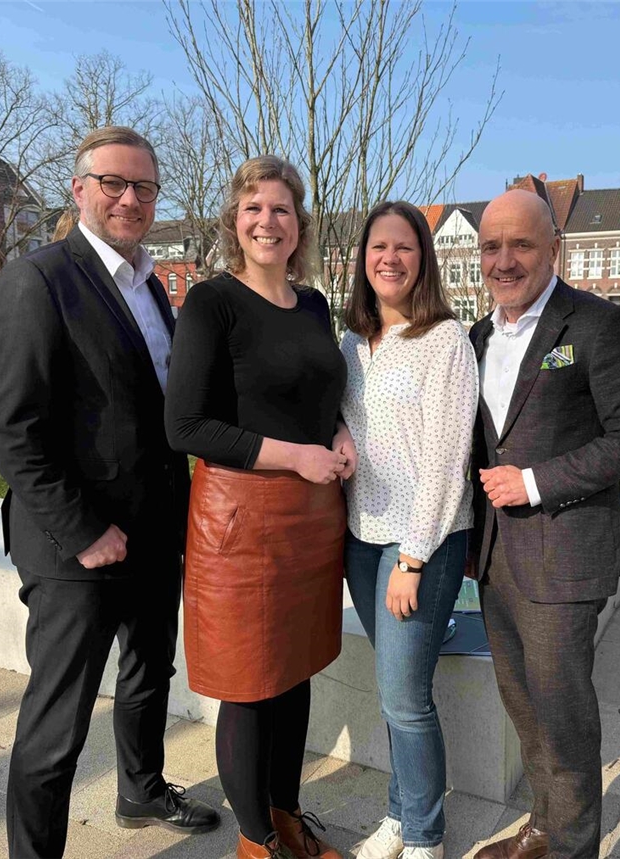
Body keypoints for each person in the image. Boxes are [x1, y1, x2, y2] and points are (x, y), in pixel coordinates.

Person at [0, 126, 220, 858]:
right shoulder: (39, 279)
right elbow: (10, 427)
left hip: (152, 533)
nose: (129, 198)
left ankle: (140, 789)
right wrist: (84, 530)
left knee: (150, 674)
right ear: (80, 189)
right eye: (113, 183)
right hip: (72, 548)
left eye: (143, 186)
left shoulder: (151, 282)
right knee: (57, 725)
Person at [165, 155, 351, 859]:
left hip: (310, 518)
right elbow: (185, 426)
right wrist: (295, 454)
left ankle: (288, 815)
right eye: (253, 209)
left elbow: (317, 396)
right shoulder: (212, 302)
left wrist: (335, 432)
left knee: (294, 670)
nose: (267, 221)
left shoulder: (313, 306)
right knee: (248, 683)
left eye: (280, 209)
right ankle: (256, 843)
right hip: (240, 519)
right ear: (233, 223)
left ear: (299, 226)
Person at [468, 190, 620, 859]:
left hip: (565, 555)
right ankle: (542, 828)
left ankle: (575, 850)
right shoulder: (479, 335)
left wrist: (534, 480)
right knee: (524, 707)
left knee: (564, 715)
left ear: (555, 246)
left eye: (520, 244)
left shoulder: (599, 326)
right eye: (491, 246)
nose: (504, 259)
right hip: (495, 558)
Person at [339, 202, 479, 859]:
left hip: (421, 541)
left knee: (405, 697)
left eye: (404, 247)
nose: (390, 258)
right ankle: (400, 813)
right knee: (394, 694)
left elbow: (450, 459)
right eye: (378, 247)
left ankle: (425, 834)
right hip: (359, 538)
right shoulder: (352, 343)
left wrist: (415, 557)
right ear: (362, 258)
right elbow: (348, 423)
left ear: (423, 259)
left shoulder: (443, 339)